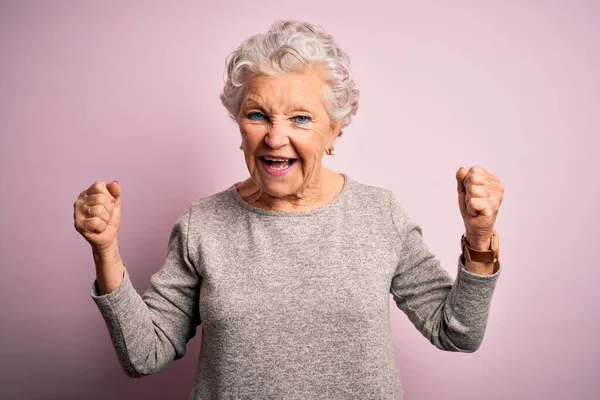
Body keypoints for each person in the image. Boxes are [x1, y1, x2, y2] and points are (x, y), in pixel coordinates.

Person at [73, 20, 504, 399]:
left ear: (335, 129)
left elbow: (456, 333)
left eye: (300, 118)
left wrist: (480, 239)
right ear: (238, 125)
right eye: (257, 115)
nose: (275, 138)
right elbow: (144, 355)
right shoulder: (201, 223)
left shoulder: (380, 214)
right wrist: (105, 249)